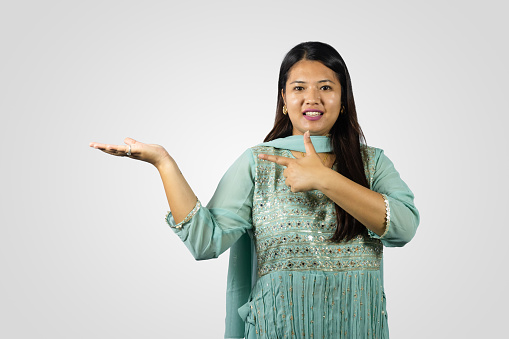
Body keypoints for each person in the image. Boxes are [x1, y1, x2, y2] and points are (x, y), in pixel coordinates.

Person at [90, 41, 419, 339]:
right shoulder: (259, 162)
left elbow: (403, 227)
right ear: (285, 100)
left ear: (343, 100)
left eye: (326, 87)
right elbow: (206, 242)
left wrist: (325, 179)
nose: (312, 98)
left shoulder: (372, 164)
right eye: (299, 88)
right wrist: (164, 163)